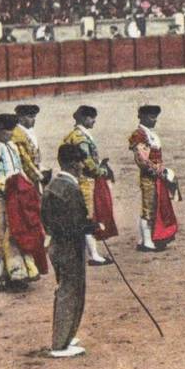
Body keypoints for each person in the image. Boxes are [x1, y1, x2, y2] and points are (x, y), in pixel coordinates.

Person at [40, 144, 96, 358]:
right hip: (70, 247)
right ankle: (60, 344)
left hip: (57, 245)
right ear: (74, 163)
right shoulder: (70, 188)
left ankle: (66, 335)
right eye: (81, 161)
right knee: (70, 291)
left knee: (67, 289)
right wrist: (92, 226)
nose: (83, 166)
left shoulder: (54, 184)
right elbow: (73, 225)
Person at [0, 113, 40, 291]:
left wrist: (39, 177)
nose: (11, 133)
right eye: (7, 130)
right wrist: (6, 184)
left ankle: (13, 274)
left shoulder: (13, 146)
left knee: (16, 234)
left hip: (17, 198)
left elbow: (26, 166)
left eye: (12, 130)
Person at [61, 106, 115, 265]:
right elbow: (86, 160)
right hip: (85, 181)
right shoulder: (80, 137)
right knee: (88, 217)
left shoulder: (77, 135)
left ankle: (88, 253)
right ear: (84, 118)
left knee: (85, 216)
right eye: (91, 118)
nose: (94, 121)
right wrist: (100, 171)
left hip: (80, 179)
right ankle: (93, 255)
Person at [129, 105, 178, 252]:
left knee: (154, 206)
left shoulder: (149, 134)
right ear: (142, 117)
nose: (155, 120)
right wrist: (160, 172)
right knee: (149, 207)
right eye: (152, 117)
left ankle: (145, 238)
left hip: (156, 176)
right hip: (149, 177)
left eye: (156, 116)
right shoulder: (139, 135)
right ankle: (146, 242)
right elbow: (142, 160)